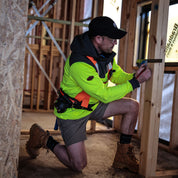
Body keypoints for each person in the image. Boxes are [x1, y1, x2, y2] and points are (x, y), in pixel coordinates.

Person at [26, 16, 151, 173]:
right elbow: (104, 95)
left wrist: (134, 77)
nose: (115, 42)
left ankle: (123, 157)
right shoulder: (80, 62)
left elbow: (117, 76)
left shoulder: (105, 55)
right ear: (98, 39)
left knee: (132, 106)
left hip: (93, 105)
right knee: (78, 165)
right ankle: (44, 139)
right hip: (73, 113)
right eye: (112, 39)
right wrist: (136, 83)